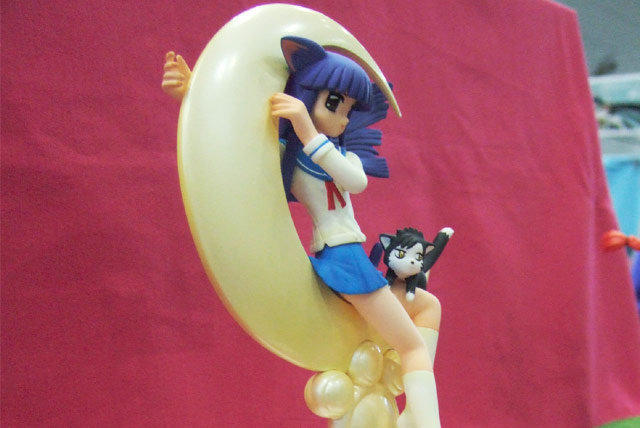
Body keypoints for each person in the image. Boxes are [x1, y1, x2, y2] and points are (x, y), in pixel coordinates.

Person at [163, 36, 442, 428]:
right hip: (342, 260)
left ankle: (412, 413)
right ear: (306, 96)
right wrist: (193, 96)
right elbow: (236, 150)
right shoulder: (291, 161)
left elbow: (356, 181)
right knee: (412, 347)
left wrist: (309, 130)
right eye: (334, 103)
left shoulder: (340, 155)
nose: (343, 118)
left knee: (428, 306)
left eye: (348, 109)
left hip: (354, 259)